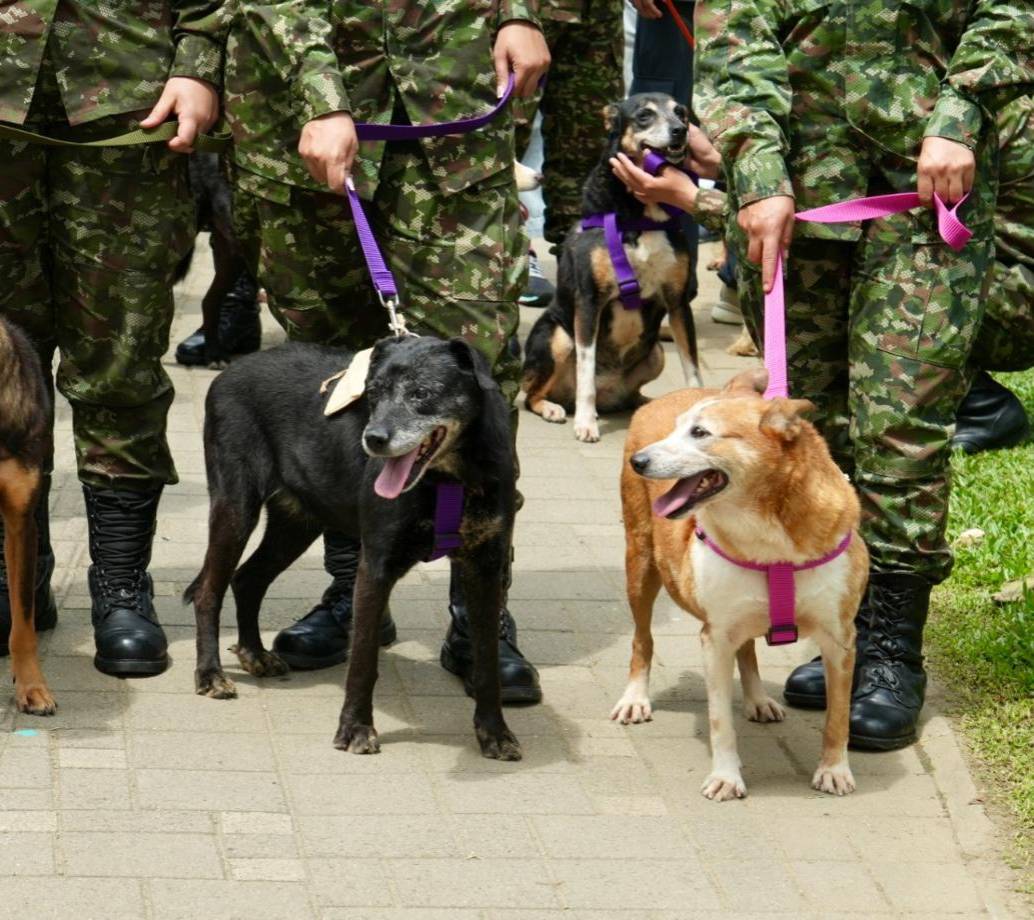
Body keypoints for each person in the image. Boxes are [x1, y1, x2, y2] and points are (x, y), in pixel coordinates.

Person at [616, 0, 1034, 750]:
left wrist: (959, 114)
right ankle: (840, 617)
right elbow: (735, 35)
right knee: (813, 429)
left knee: (901, 423)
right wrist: (757, 176)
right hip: (797, 196)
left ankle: (888, 649)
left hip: (931, 189)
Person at [223, 1, 550, 701]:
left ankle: (479, 614)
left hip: (454, 127)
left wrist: (519, 12)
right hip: (308, 145)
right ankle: (355, 590)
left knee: (476, 374)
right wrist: (324, 96)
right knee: (343, 388)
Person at [0, 2, 224, 676]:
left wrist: (198, 67)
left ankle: (121, 588)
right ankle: (17, 580)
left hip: (130, 111)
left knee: (121, 359)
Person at [513, 0, 625, 307]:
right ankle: (504, 261)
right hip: (519, 10)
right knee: (499, 140)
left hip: (597, 12)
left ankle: (579, 275)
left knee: (590, 143)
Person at [952, 94, 1034, 453]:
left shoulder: (978, 112)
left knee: (876, 273)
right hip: (1014, 292)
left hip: (1016, 306)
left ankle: (979, 407)